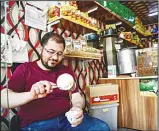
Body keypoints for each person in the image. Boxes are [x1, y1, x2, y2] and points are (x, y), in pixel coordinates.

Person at [1, 32, 110, 131]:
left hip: (66, 120)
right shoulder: (25, 69)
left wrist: (77, 107)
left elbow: (76, 95)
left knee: (102, 127)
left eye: (59, 53)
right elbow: (4, 99)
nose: (55, 57)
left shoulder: (66, 71)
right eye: (51, 52)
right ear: (40, 49)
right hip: (36, 124)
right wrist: (31, 95)